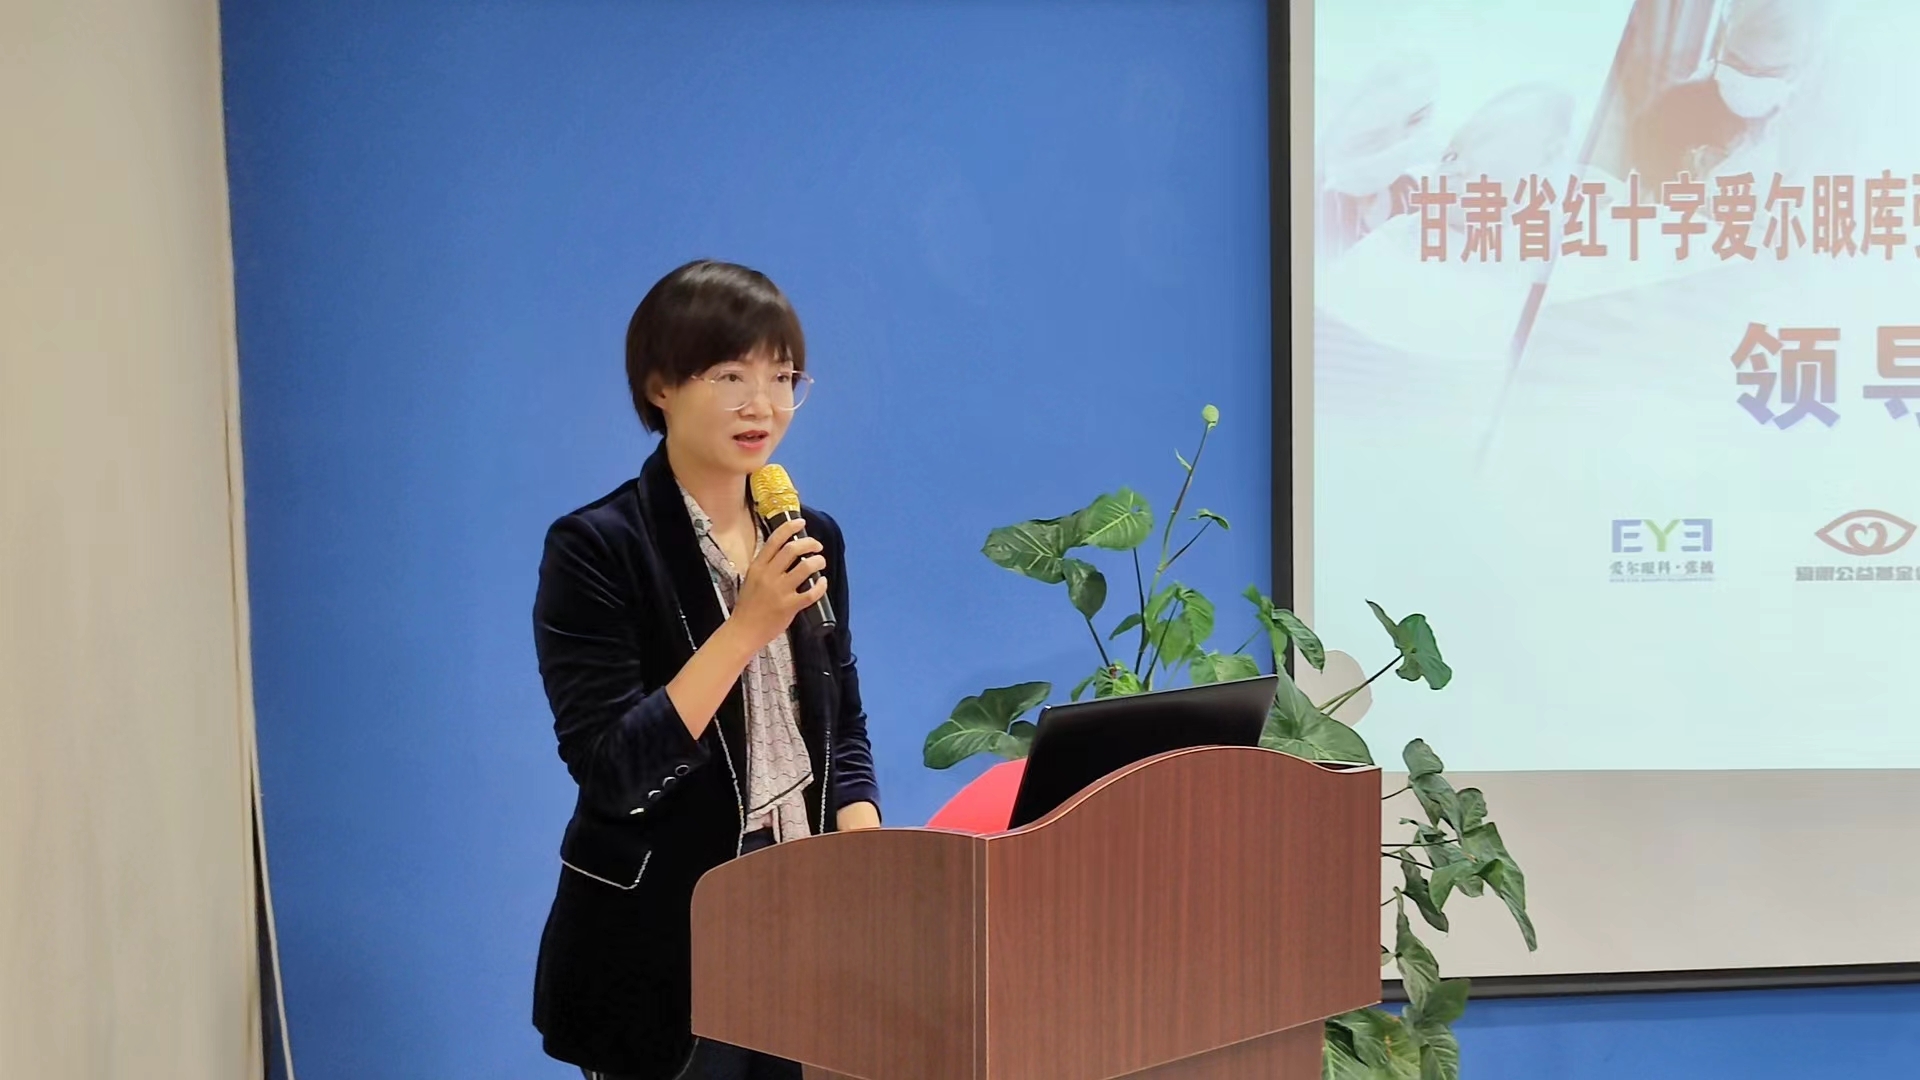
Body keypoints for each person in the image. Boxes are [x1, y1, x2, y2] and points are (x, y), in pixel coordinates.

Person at [530, 259, 883, 1080]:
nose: (763, 404)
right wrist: (746, 626)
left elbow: (842, 723)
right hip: (660, 945)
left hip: (806, 920)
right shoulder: (597, 548)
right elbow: (612, 769)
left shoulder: (809, 536)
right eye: (730, 375)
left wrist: (870, 864)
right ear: (660, 386)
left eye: (783, 377)